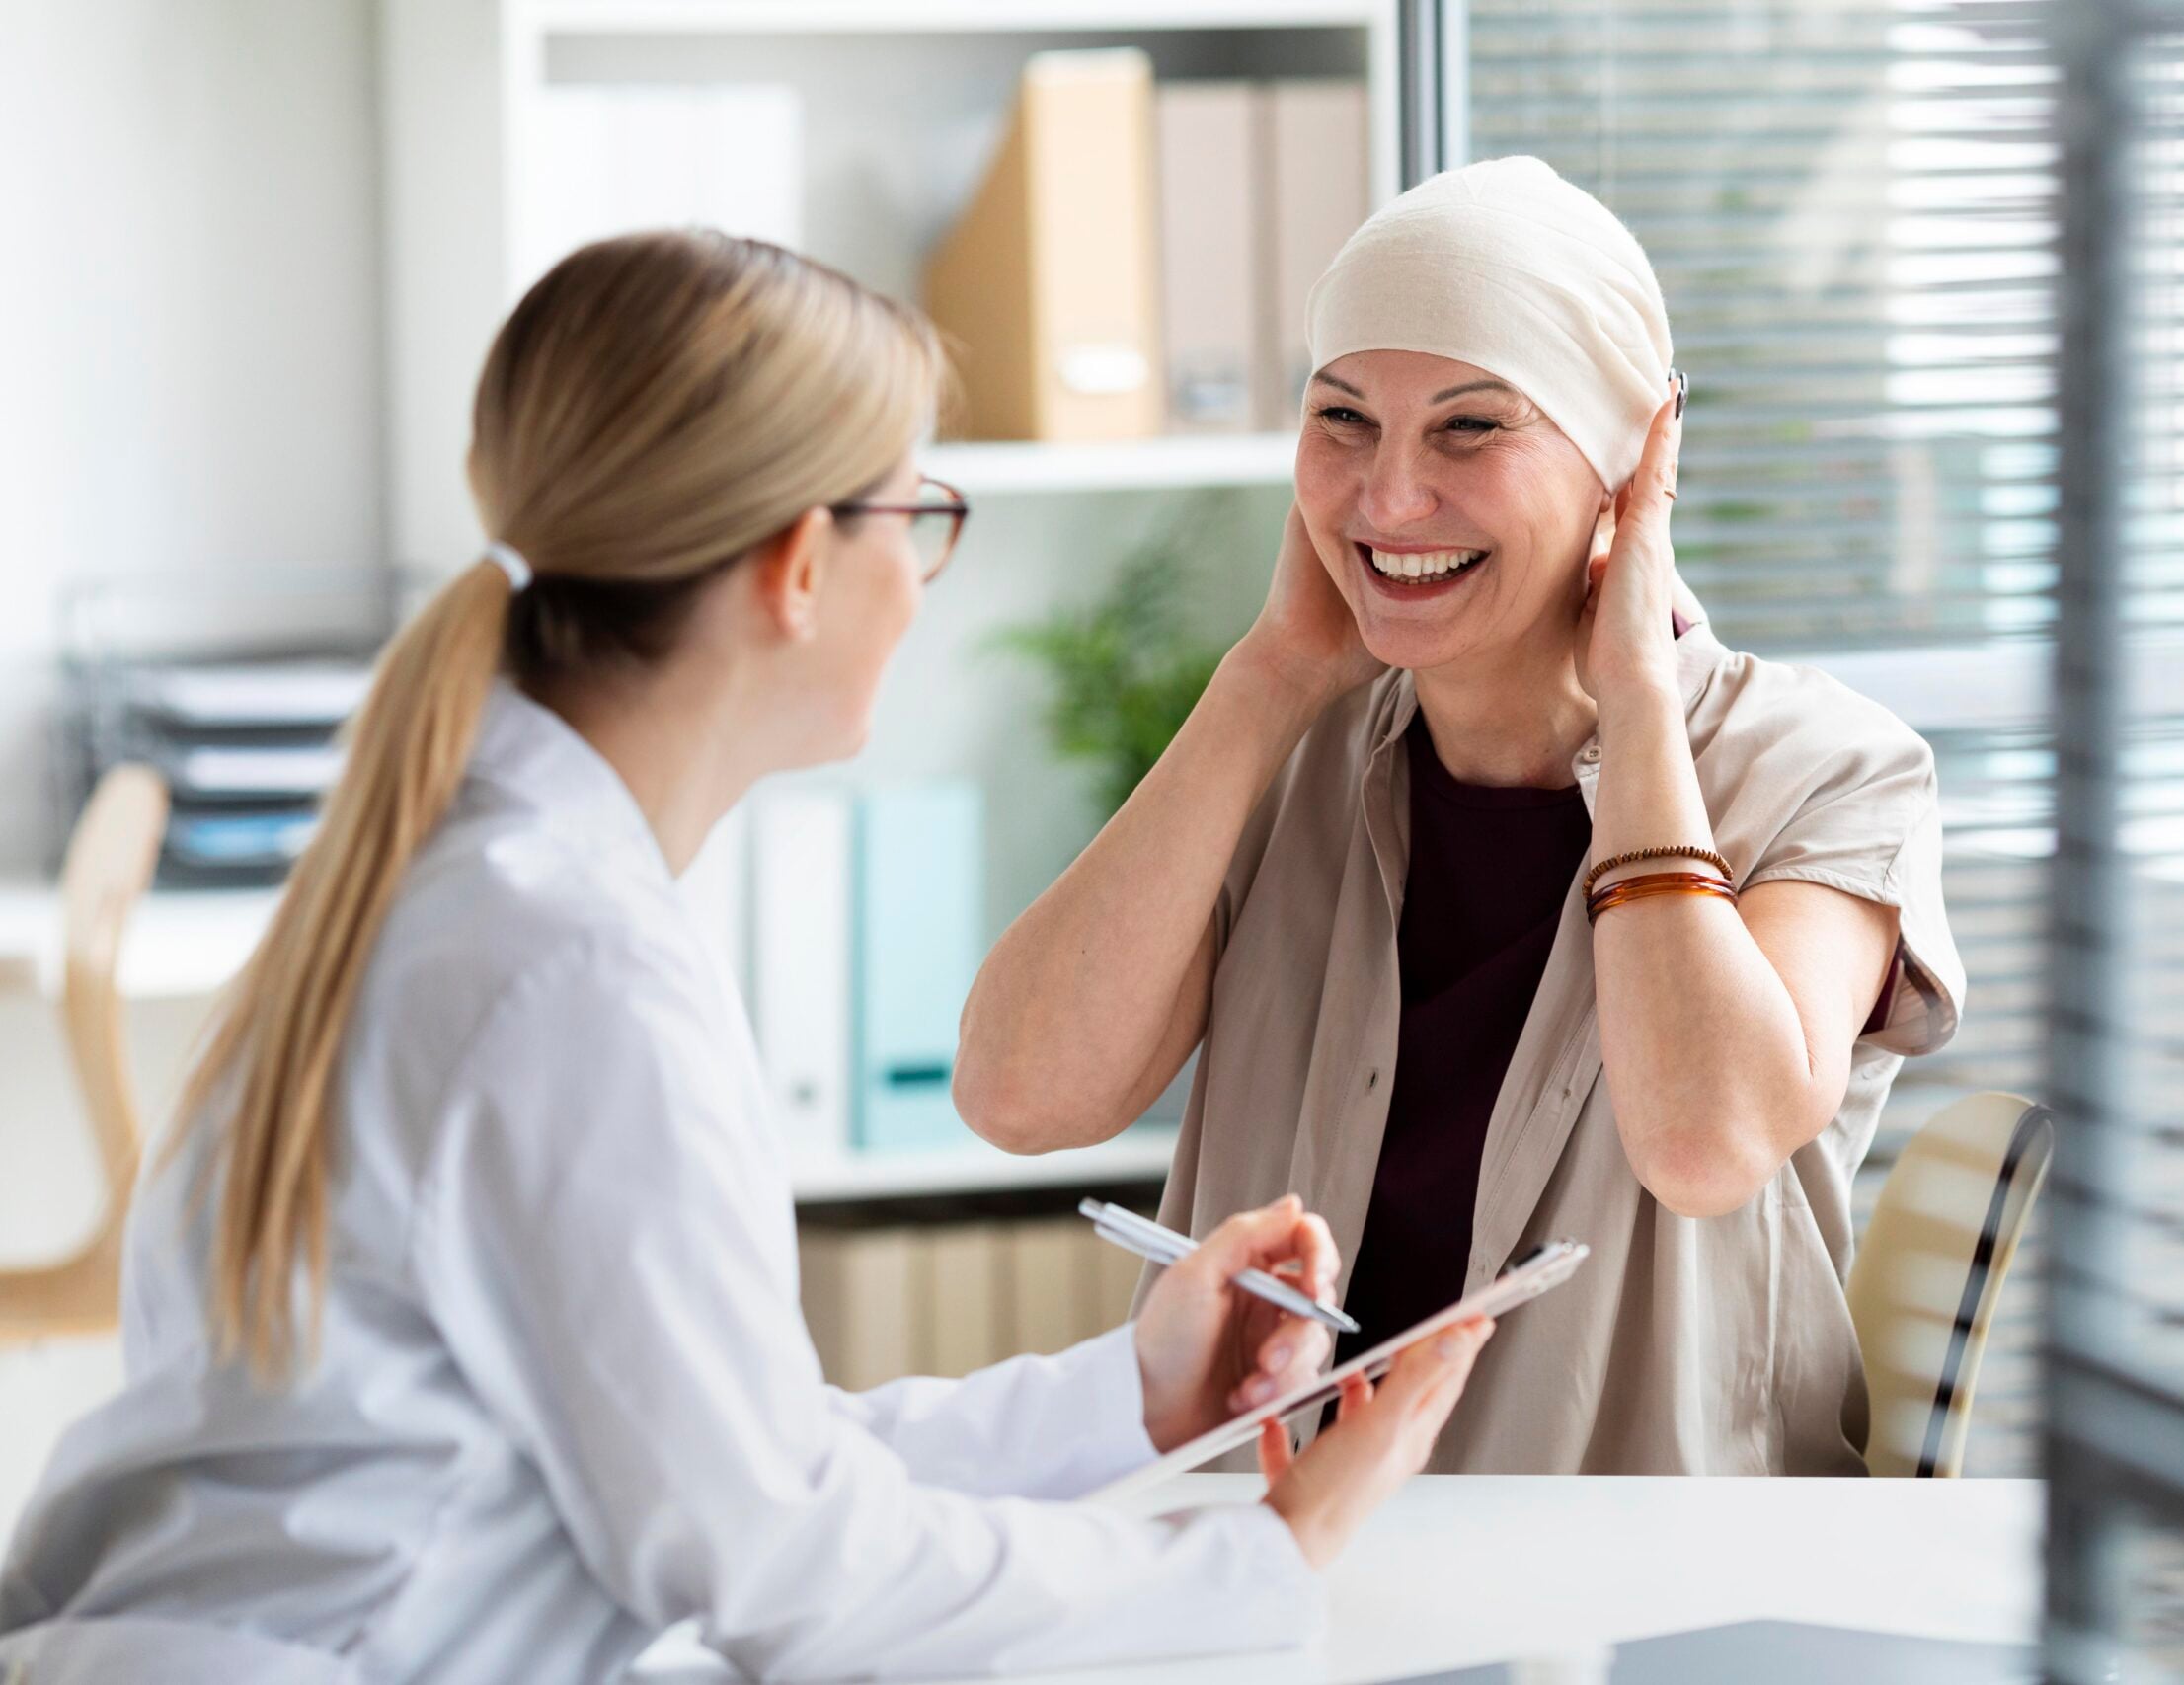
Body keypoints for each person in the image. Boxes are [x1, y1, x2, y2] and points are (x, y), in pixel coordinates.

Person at [0, 232, 1492, 1685]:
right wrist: (1266, 1559)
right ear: (797, 567)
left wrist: (1131, 1396)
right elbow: (779, 1568)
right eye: (920, 522)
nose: (922, 581)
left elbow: (721, 1456)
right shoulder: (567, 972)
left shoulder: (461, 881)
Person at [957, 156, 1966, 1478]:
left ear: (1628, 469)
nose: (1386, 498)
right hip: (1273, 1567)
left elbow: (1706, 1141)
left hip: (1637, 1601)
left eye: (1470, 427)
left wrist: (1638, 704)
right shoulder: (1287, 751)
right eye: (1343, 420)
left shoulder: (1823, 770)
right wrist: (1265, 678)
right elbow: (1021, 1099)